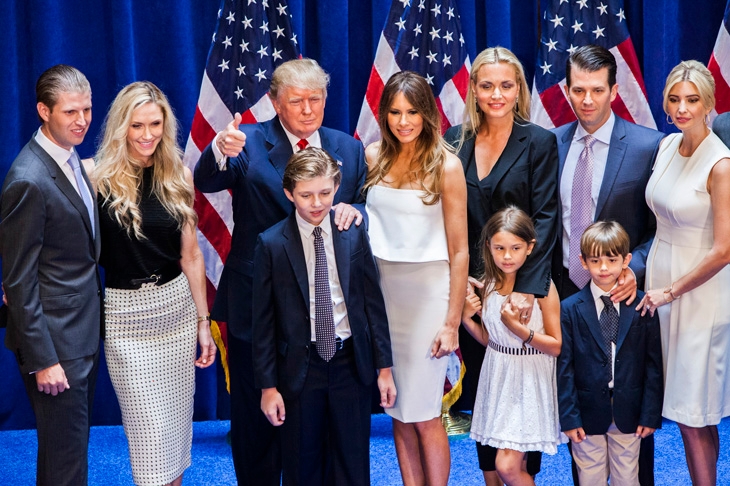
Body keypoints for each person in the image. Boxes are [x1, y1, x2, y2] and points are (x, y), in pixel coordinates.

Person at [193, 58, 366, 485]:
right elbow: (207, 180)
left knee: (321, 431)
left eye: (316, 99)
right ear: (275, 102)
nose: (308, 109)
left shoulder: (347, 148)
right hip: (259, 307)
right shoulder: (248, 142)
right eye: (297, 101)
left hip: (325, 312)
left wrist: (355, 209)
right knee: (258, 426)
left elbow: (362, 204)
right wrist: (219, 150)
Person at [443, 46, 559, 484]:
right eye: (487, 85)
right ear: (473, 89)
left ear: (519, 90)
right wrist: (461, 287)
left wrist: (526, 288)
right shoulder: (454, 140)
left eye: (506, 86)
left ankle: (524, 475)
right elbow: (446, 217)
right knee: (484, 391)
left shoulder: (540, 141)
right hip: (474, 290)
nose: (496, 94)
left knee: (523, 394)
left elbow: (546, 216)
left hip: (524, 288)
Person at [551, 44, 664, 486]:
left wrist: (634, 268)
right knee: (583, 415)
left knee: (632, 411)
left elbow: (661, 228)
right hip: (569, 296)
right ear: (567, 90)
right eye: (578, 90)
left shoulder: (646, 146)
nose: (587, 100)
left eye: (597, 90)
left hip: (624, 293)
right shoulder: (551, 143)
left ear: (614, 91)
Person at [93, 81, 216, 486]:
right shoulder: (95, 177)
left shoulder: (178, 174)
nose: (147, 135)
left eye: (155, 124)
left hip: (176, 311)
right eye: (137, 125)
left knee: (175, 431)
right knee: (148, 433)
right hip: (124, 317)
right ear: (121, 126)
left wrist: (203, 323)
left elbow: (191, 255)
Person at [251, 147, 396, 485]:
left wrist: (385, 368)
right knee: (303, 465)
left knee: (352, 463)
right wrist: (268, 387)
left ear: (337, 187)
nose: (316, 203)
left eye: (325, 193)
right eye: (306, 195)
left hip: (350, 364)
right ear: (289, 193)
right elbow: (263, 324)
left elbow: (372, 304)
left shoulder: (352, 231)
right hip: (301, 370)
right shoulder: (271, 244)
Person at [364, 71, 468, 486]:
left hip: (429, 296)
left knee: (424, 413)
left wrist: (452, 322)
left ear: (427, 114)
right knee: (397, 409)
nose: (403, 121)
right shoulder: (373, 156)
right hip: (383, 296)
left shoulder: (447, 165)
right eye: (394, 112)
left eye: (412, 112)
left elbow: (459, 251)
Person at [0, 64, 101, 485]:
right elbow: (18, 282)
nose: (82, 121)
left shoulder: (68, 156)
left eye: (87, 110)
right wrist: (44, 360)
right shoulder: (28, 179)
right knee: (66, 463)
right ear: (44, 111)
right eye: (70, 112)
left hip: (78, 333)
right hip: (55, 346)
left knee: (65, 455)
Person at [638, 60, 730, 486]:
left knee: (694, 415)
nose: (682, 108)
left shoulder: (721, 164)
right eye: (674, 99)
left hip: (700, 296)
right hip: (661, 285)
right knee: (689, 411)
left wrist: (670, 291)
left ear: (709, 103)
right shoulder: (666, 146)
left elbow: (724, 250)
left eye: (692, 100)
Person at [461, 206, 562, 486]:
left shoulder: (543, 288)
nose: (507, 256)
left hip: (529, 379)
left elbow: (556, 346)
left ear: (530, 247)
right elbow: (492, 341)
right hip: (497, 377)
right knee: (515, 465)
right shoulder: (490, 283)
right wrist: (466, 319)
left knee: (506, 466)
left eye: (515, 248)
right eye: (500, 248)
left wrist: (519, 329)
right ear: (488, 247)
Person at [558, 221, 663, 486]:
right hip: (587, 413)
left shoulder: (642, 306)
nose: (603, 268)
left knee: (627, 478)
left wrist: (650, 414)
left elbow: (653, 366)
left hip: (629, 412)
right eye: (595, 260)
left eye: (612, 260)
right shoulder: (569, 309)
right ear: (583, 262)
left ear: (626, 260)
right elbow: (565, 368)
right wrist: (569, 417)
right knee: (590, 478)